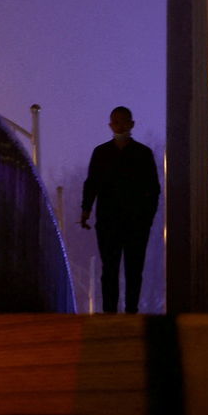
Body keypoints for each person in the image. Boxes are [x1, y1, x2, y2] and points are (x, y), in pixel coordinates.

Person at [79, 106, 160, 313]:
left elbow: (92, 183)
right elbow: (152, 189)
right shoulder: (141, 153)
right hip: (124, 221)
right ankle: (124, 311)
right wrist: (147, 217)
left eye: (122, 121)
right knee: (121, 268)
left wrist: (86, 210)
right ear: (111, 125)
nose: (120, 125)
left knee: (119, 268)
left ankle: (114, 311)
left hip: (117, 220)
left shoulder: (104, 153)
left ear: (131, 124)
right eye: (117, 122)